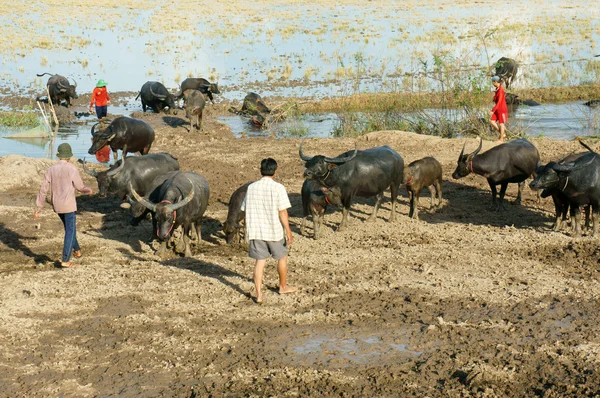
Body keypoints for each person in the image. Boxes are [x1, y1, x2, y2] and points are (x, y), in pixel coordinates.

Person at [241, 158, 297, 303]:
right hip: (274, 231)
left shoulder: (251, 187)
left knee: (260, 262)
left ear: (260, 170)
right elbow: (282, 212)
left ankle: (259, 295)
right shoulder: (278, 188)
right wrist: (289, 231)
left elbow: (245, 209)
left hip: (256, 231)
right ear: (275, 171)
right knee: (282, 258)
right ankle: (283, 286)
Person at [34, 143, 93, 268]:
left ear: (59, 155)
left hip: (57, 206)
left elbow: (43, 190)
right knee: (70, 231)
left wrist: (38, 207)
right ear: (69, 156)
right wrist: (89, 191)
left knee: (69, 229)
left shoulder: (50, 170)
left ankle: (77, 250)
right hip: (69, 206)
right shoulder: (72, 169)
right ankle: (65, 259)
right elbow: (80, 187)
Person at [490, 75, 508, 142]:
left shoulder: (501, 90)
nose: (492, 83)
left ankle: (501, 139)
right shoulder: (497, 89)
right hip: (498, 109)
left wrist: (493, 110)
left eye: (492, 82)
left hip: (502, 109)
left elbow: (499, 102)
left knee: (501, 124)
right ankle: (502, 134)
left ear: (495, 82)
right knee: (492, 121)